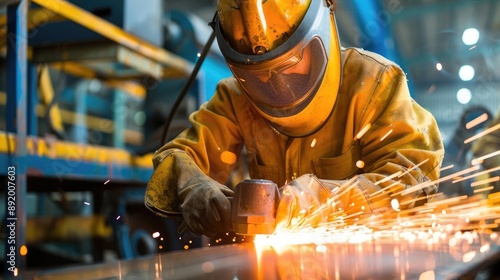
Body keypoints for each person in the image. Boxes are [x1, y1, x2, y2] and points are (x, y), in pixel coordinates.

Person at [145, 0, 444, 237]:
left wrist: (315, 202)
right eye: (258, 75)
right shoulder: (236, 98)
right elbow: (177, 157)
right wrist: (194, 188)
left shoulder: (373, 82)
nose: (277, 83)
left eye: (291, 62)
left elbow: (411, 176)